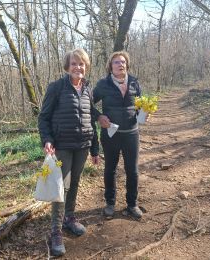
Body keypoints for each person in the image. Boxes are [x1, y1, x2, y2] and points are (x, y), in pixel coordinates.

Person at [38, 48, 99, 256]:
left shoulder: (88, 88)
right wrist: (47, 140)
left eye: (81, 64)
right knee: (59, 187)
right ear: (68, 66)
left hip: (82, 145)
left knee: (74, 183)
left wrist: (95, 148)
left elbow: (91, 118)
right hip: (62, 146)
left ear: (86, 66)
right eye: (74, 63)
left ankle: (69, 218)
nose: (78, 67)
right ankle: (55, 231)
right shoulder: (56, 87)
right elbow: (43, 118)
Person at [93, 51, 144, 219]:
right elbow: (87, 103)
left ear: (127, 65)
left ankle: (132, 204)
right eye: (116, 62)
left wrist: (144, 113)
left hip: (131, 133)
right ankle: (110, 203)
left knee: (133, 171)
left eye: (123, 62)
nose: (120, 64)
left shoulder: (135, 82)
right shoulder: (103, 84)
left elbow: (139, 106)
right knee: (110, 170)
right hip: (111, 134)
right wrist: (99, 116)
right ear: (110, 66)